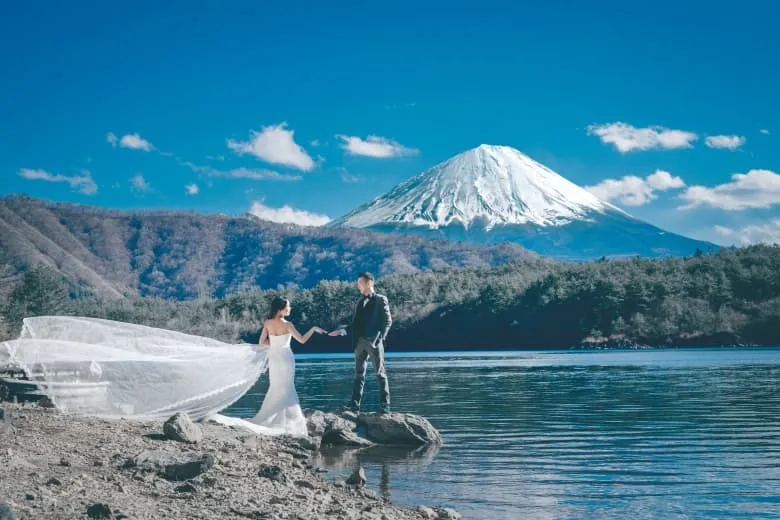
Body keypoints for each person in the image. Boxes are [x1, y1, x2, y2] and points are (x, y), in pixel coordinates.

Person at [250, 296, 326, 435]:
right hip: (286, 358)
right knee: (287, 387)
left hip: (274, 358)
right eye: (287, 307)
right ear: (280, 310)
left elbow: (262, 342)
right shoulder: (288, 325)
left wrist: (275, 345)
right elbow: (302, 340)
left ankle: (271, 418)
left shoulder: (267, 322)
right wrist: (313, 329)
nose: (289, 309)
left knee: (275, 387)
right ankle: (289, 419)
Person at [329, 272, 392, 414]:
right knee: (358, 374)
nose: (358, 286)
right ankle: (354, 405)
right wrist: (341, 331)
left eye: (360, 283)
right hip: (359, 342)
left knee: (380, 373)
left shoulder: (381, 300)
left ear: (369, 283)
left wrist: (380, 338)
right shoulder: (360, 302)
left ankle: (385, 405)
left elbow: (388, 322)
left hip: (375, 342)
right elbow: (355, 325)